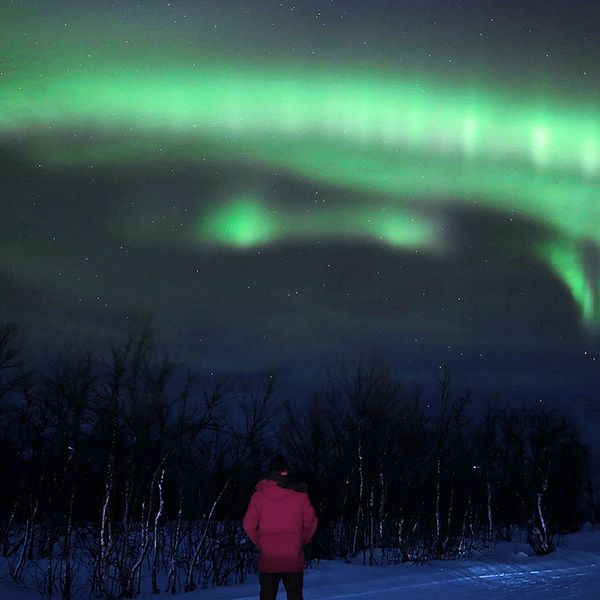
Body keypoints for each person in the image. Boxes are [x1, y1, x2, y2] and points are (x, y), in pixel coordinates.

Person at [243, 454, 318, 600]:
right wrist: (300, 542)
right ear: (285, 471)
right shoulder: (300, 496)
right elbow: (312, 522)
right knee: (295, 597)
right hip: (293, 558)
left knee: (267, 597)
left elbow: (248, 525)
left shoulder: (258, 496)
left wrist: (262, 544)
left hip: (269, 558)